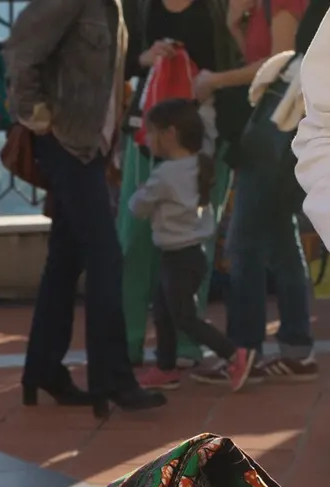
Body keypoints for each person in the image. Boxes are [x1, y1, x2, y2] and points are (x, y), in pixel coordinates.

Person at [6, 0, 167, 417]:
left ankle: (42, 369)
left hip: (88, 147)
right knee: (105, 254)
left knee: (67, 256)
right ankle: (112, 380)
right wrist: (39, 118)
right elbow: (21, 50)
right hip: (67, 144)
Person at [189, 0, 319, 386]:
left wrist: (213, 80)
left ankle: (243, 351)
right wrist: (235, 24)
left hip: (273, 129)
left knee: (244, 242)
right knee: (280, 235)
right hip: (273, 126)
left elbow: (279, 64)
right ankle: (297, 350)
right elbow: (262, 60)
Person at [118, 0, 241, 365]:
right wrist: (145, 58)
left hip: (206, 140)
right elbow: (116, 60)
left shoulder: (220, 8)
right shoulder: (137, 7)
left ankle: (186, 345)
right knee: (134, 241)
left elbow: (243, 60)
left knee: (194, 240)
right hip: (148, 137)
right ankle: (128, 341)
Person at [129, 98, 253, 390]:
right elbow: (208, 129)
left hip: (178, 257)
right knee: (163, 311)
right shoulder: (200, 160)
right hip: (190, 255)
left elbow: (137, 208)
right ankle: (166, 366)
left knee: (184, 317)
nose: (148, 139)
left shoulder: (164, 175)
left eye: (152, 132)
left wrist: (139, 192)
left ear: (170, 134)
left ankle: (234, 354)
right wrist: (207, 103)